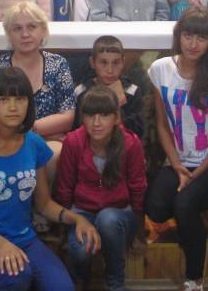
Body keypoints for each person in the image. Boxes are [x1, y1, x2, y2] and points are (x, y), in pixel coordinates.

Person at [0, 67, 100, 291]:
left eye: (20, 99)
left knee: (62, 287)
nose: (13, 107)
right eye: (3, 99)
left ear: (28, 104)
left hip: (25, 239)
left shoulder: (34, 144)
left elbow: (43, 204)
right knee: (17, 276)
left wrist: (77, 219)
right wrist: (2, 245)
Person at [145, 7, 208, 291]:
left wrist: (197, 171)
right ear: (179, 36)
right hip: (177, 161)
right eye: (188, 35)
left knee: (184, 205)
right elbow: (162, 125)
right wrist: (176, 166)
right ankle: (195, 207)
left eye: (201, 37)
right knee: (158, 210)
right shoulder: (160, 69)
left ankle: (194, 278)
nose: (193, 43)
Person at [54, 85, 147, 291]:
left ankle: (116, 281)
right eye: (90, 115)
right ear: (82, 117)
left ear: (116, 118)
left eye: (104, 115)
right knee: (80, 251)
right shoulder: (73, 141)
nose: (96, 123)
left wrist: (140, 232)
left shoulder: (130, 143)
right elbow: (65, 186)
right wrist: (65, 228)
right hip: (82, 211)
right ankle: (81, 280)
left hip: (119, 212)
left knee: (108, 219)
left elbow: (138, 188)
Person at [0, 2, 75, 175]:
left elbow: (67, 117)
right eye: (17, 28)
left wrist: (32, 131)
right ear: (9, 34)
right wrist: (38, 131)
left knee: (53, 153)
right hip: (5, 139)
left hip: (48, 142)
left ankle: (43, 202)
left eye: (32, 27)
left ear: (43, 30)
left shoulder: (59, 64)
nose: (25, 34)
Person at [73, 36, 147, 138]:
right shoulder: (81, 91)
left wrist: (118, 106)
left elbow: (137, 133)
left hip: (123, 149)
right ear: (92, 62)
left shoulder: (132, 91)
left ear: (123, 62)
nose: (110, 70)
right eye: (103, 63)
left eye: (116, 63)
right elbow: (76, 130)